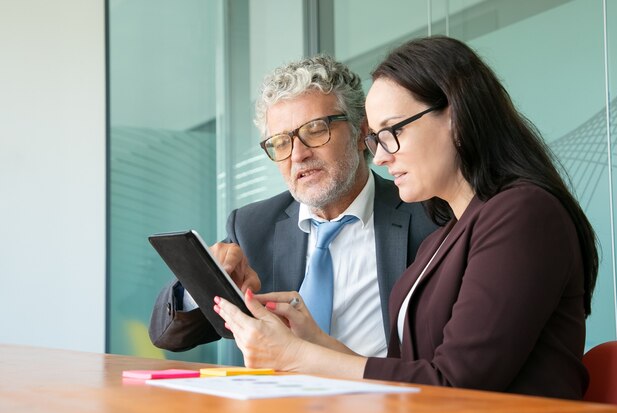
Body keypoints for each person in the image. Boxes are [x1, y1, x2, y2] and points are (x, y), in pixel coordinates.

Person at [213, 36, 599, 400]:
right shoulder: (445, 235)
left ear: (457, 117)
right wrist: (313, 342)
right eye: (377, 139)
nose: (380, 157)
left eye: (393, 131)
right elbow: (409, 371)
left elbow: (453, 383)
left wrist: (293, 357)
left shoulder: (523, 215)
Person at [149, 55, 437, 358]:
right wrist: (204, 280)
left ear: (361, 133)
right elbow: (168, 335)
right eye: (281, 142)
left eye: (315, 130)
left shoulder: (427, 216)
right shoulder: (253, 226)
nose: (298, 155)